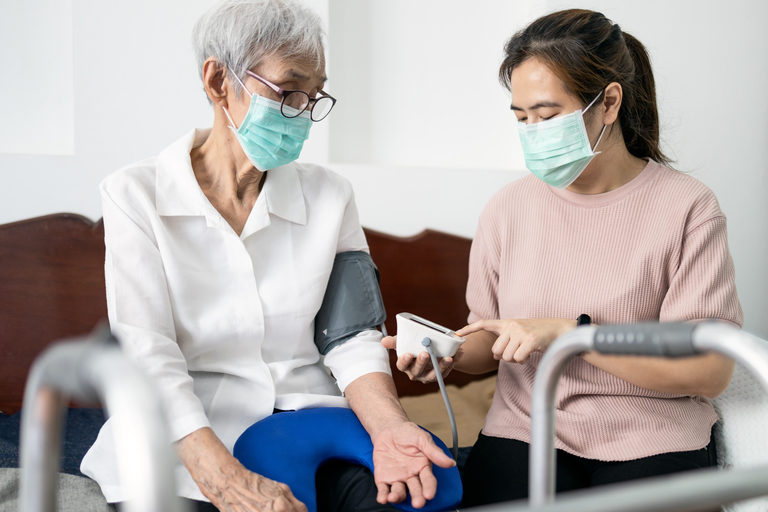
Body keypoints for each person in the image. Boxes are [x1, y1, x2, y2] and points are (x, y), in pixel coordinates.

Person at [80, 1, 454, 510]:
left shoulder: (330, 195)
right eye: (289, 89)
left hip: (309, 418)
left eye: (314, 95)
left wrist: (390, 427)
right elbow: (147, 354)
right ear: (217, 82)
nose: (303, 112)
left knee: (403, 497)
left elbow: (352, 338)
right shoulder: (134, 194)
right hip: (189, 435)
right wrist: (225, 482)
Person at [383, 8, 743, 507]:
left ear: (609, 102)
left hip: (650, 435)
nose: (533, 131)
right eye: (522, 118)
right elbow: (494, 338)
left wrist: (571, 336)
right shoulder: (508, 208)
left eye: (548, 116)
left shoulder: (688, 208)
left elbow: (709, 371)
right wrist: (449, 356)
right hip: (526, 432)